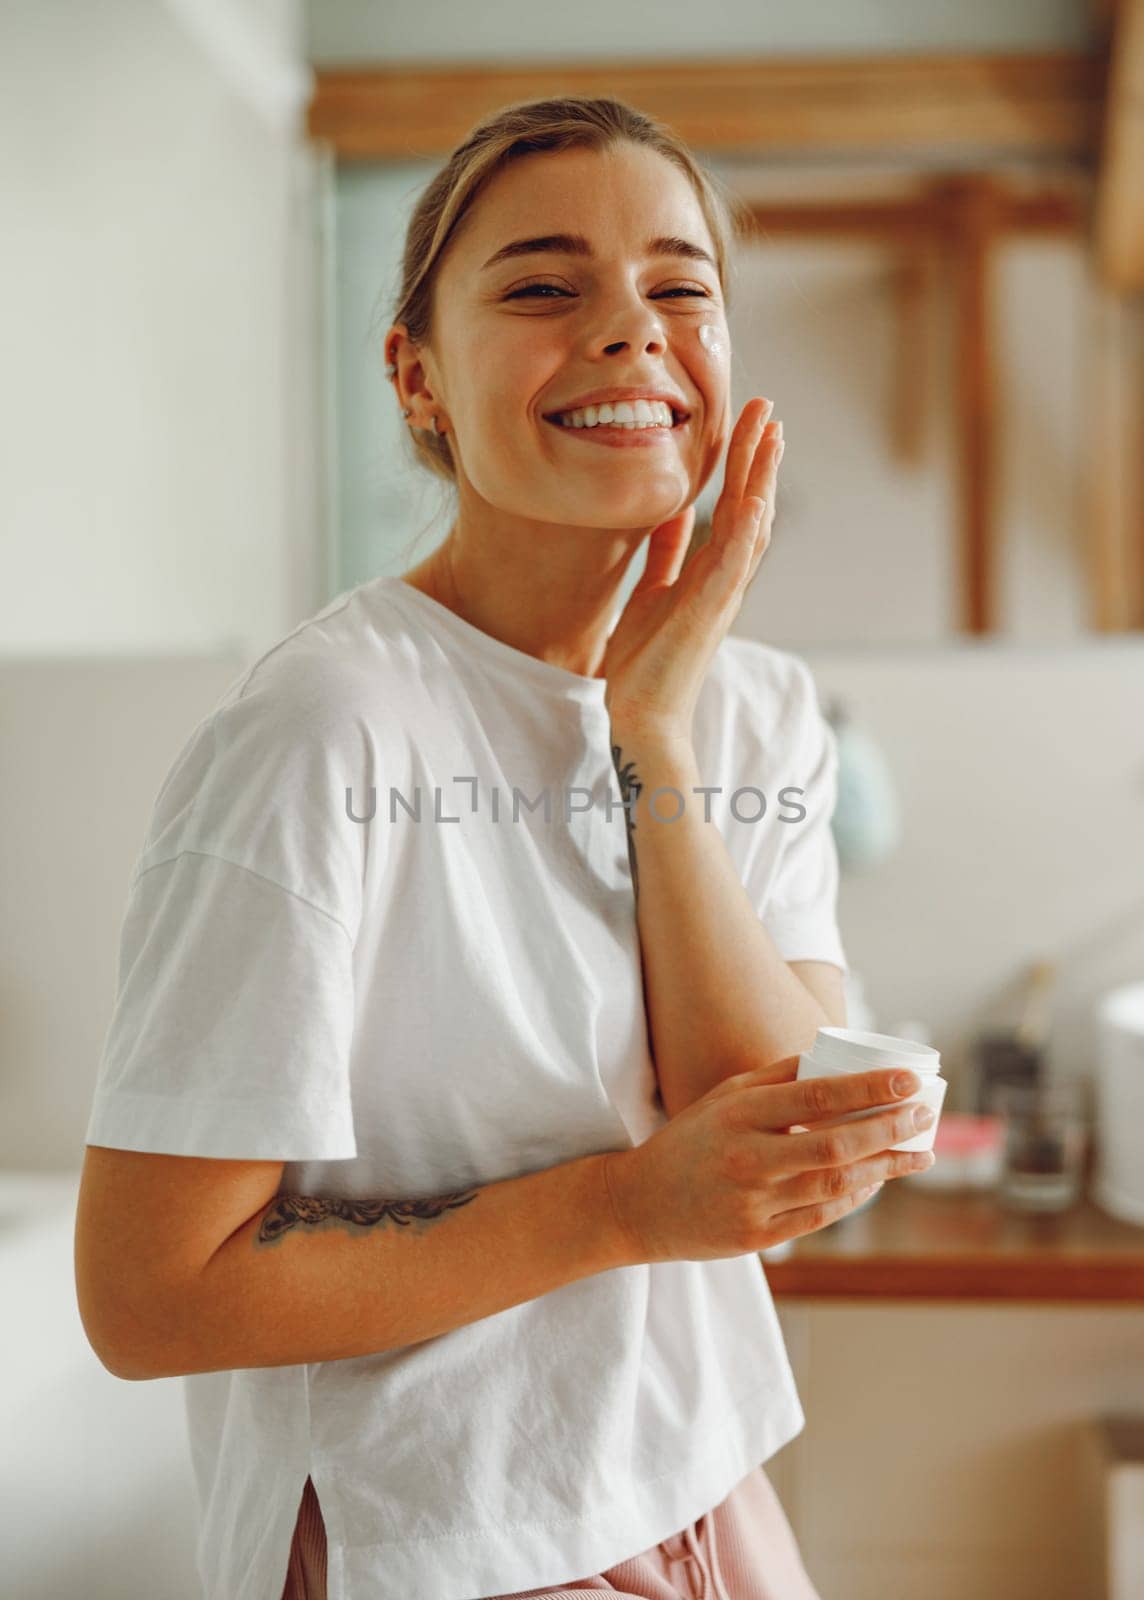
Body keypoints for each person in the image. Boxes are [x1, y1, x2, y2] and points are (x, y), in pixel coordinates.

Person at [74, 95, 936, 1600]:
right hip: (441, 1532)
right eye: (544, 287)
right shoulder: (324, 733)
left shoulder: (759, 708)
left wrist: (651, 732)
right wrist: (619, 1206)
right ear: (418, 381)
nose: (628, 330)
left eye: (680, 287)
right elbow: (147, 1297)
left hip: (696, 1472)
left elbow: (757, 1139)